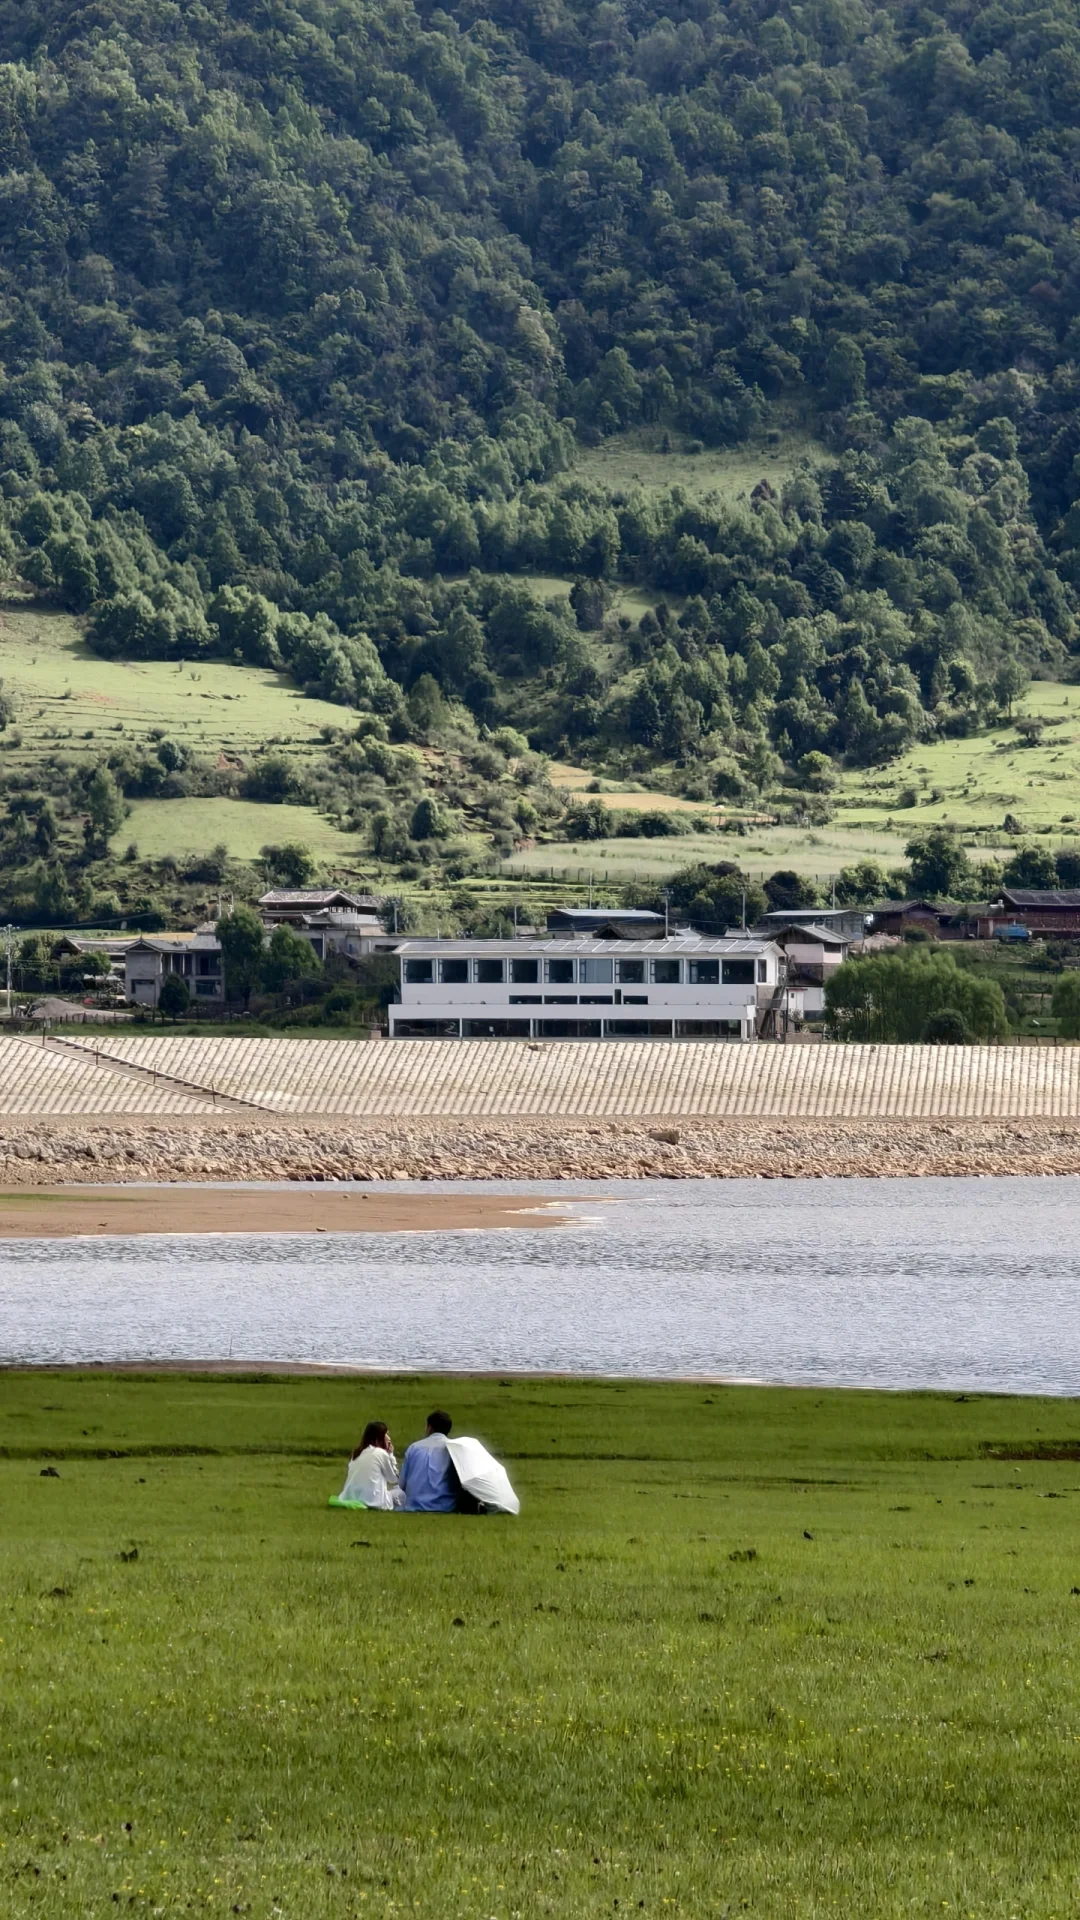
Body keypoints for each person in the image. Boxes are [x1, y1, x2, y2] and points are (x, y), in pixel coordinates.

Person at [398, 1409, 459, 1513]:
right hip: (445, 1506)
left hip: (413, 1505)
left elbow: (401, 1484)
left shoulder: (414, 1448)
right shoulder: (453, 1448)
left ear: (429, 1428)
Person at [337, 1421, 402, 1510]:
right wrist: (391, 1454)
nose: (389, 1438)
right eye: (386, 1434)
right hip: (375, 1501)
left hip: (352, 1496)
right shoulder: (380, 1453)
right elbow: (393, 1479)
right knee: (401, 1493)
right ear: (379, 1437)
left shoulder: (356, 1453)